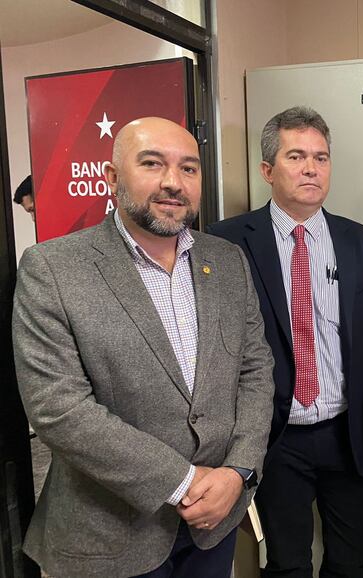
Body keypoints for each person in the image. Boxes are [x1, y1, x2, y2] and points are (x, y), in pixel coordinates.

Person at [12, 117, 275, 578]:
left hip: (214, 523)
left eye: (189, 169)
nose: (173, 182)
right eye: (152, 164)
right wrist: (183, 482)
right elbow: (58, 408)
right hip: (109, 534)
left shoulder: (227, 261)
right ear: (112, 177)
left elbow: (255, 372)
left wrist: (238, 472)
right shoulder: (53, 269)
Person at [208, 106, 363, 577]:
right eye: (297, 156)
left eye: (321, 157)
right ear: (268, 170)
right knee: (286, 564)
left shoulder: (360, 241)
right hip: (274, 437)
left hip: (347, 434)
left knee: (352, 557)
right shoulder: (226, 243)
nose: (311, 168)